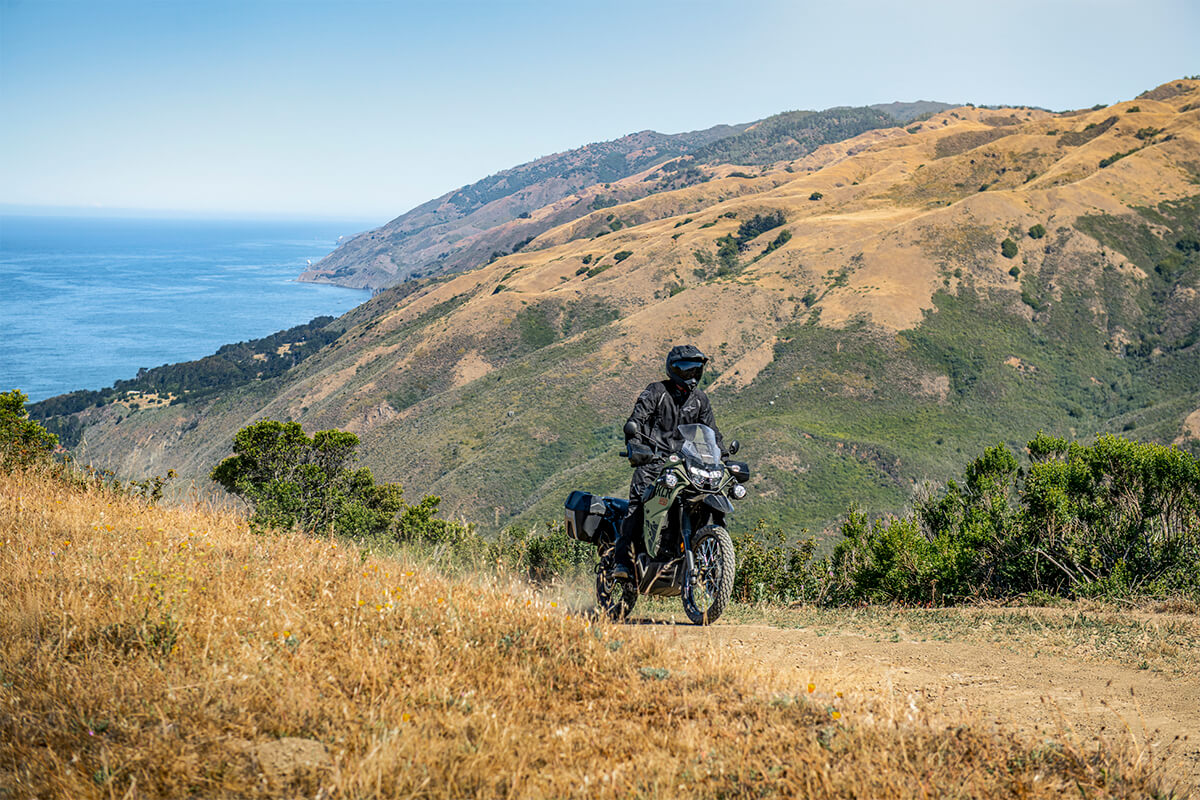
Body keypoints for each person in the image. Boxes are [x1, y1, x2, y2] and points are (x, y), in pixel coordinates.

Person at [611, 344, 724, 580]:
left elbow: (711, 432)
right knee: (638, 507)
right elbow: (636, 421)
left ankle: (694, 556)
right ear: (673, 369)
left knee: (700, 503)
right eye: (685, 369)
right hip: (654, 464)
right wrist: (636, 447)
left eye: (695, 369)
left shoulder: (700, 400)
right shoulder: (656, 392)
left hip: (687, 467)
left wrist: (722, 455)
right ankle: (620, 562)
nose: (691, 375)